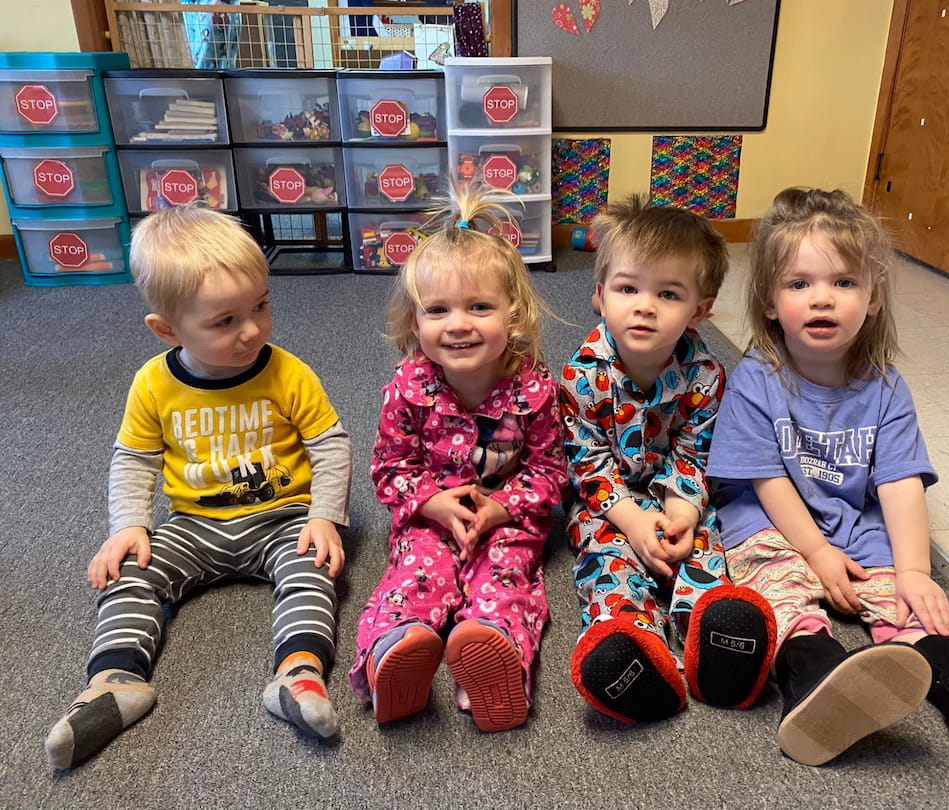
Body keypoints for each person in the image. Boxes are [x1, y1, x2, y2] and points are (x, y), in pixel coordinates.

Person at [707, 186, 949, 766]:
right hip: (774, 522)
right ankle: (815, 675)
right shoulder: (758, 377)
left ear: (874, 296)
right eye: (799, 284)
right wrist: (815, 554)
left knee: (910, 608)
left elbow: (901, 482)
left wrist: (913, 572)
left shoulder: (885, 386)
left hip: (856, 521)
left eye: (844, 282)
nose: (822, 299)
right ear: (770, 302)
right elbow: (765, 481)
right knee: (778, 592)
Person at [45, 206, 352, 770]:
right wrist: (130, 526)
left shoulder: (288, 371)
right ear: (167, 329)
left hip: (284, 515)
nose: (253, 330)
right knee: (129, 573)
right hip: (194, 525)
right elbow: (134, 457)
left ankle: (298, 672)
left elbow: (330, 444)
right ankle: (115, 680)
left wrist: (324, 516)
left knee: (314, 570)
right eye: (225, 321)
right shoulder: (153, 383)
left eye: (261, 305)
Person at [349, 180, 567, 732]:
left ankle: (494, 655)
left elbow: (550, 470)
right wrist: (435, 503)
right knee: (414, 576)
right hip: (431, 516)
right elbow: (389, 468)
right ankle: (395, 649)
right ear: (415, 324)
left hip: (504, 518)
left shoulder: (534, 389)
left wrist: (501, 508)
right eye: (438, 310)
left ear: (512, 317)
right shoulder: (408, 386)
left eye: (479, 307)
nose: (459, 324)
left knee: (507, 573)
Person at [560, 194, 777, 724]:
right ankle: (633, 641)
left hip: (675, 495)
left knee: (705, 545)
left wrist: (682, 511)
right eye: (627, 289)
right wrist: (632, 520)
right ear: (600, 295)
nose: (644, 306)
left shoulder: (705, 374)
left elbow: (696, 451)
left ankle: (715, 638)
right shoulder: (579, 375)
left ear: (700, 309)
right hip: (607, 504)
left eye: (668, 294)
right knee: (607, 560)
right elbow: (587, 464)